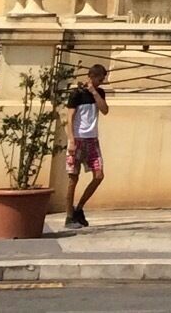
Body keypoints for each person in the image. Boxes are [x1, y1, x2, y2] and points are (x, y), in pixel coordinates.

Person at [64, 64, 110, 229]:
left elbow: (104, 110)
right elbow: (69, 117)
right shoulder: (76, 94)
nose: (101, 81)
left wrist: (93, 91)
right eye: (100, 78)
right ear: (93, 77)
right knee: (73, 178)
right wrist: (71, 139)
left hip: (92, 140)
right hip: (78, 139)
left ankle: (79, 208)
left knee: (98, 175)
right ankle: (69, 216)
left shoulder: (99, 93)